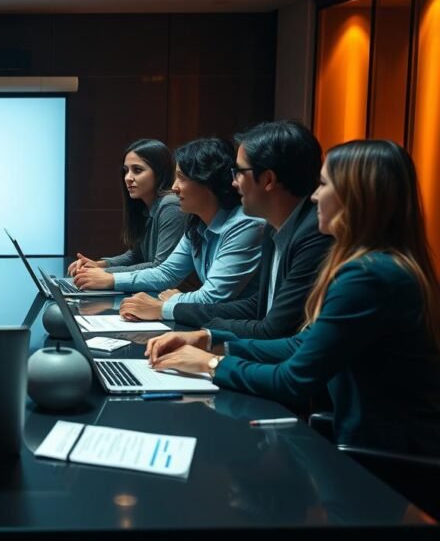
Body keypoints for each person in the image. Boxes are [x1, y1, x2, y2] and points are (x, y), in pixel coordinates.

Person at [146, 140, 440, 454]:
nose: (314, 196)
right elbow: (300, 343)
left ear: (357, 197)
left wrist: (211, 363)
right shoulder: (380, 265)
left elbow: (293, 380)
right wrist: (209, 339)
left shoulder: (368, 275)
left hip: (388, 463)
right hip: (377, 444)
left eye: (324, 185)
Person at [146, 121, 333, 335]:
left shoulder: (313, 235)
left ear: (268, 179)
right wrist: (177, 312)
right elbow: (258, 306)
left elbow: (274, 330)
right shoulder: (275, 225)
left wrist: (207, 340)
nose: (233, 182)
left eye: (239, 172)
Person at [74, 138, 264, 320]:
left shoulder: (244, 224)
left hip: (242, 331)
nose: (174, 188)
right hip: (214, 321)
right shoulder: (196, 223)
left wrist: (167, 304)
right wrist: (110, 277)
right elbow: (166, 273)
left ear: (207, 181)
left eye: (181, 178)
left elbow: (212, 297)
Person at [67, 139, 185, 275]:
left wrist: (104, 272)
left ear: (159, 172)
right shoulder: (145, 206)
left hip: (177, 293)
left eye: (137, 170)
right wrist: (98, 264)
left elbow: (160, 266)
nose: (128, 178)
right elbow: (136, 256)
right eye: (126, 171)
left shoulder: (170, 206)